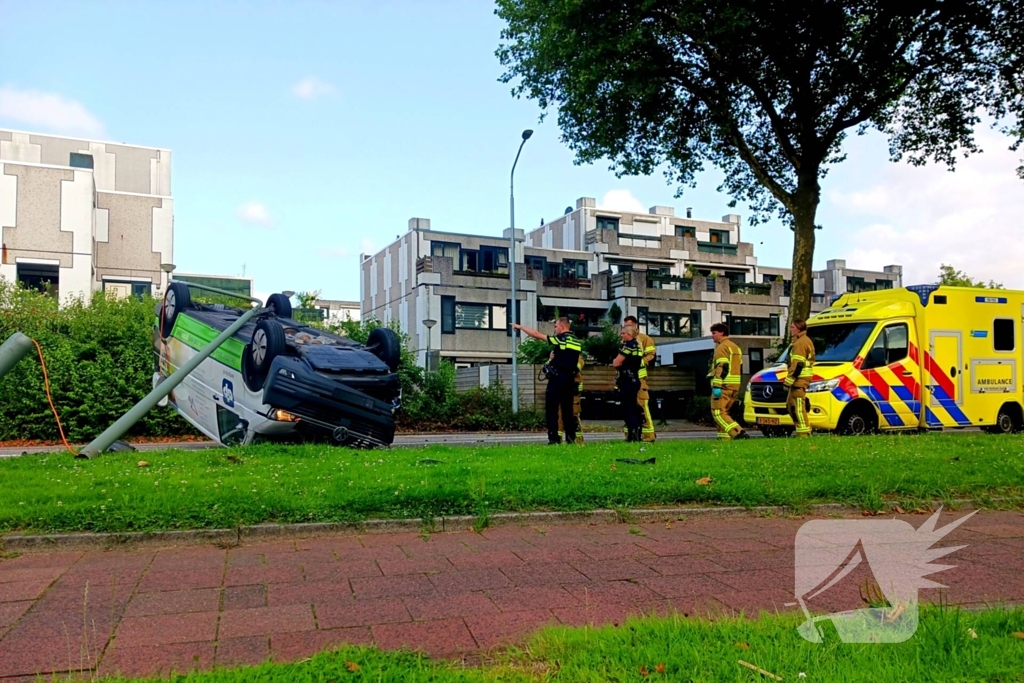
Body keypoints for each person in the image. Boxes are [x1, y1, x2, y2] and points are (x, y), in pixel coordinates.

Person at [512, 317, 582, 445]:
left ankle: (553, 439)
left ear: (562, 327)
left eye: (555, 326)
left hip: (557, 379)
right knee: (567, 410)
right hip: (569, 380)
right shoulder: (576, 341)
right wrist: (552, 359)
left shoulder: (561, 339)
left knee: (552, 409)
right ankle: (571, 439)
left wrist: (521, 327)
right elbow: (569, 359)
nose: (555, 329)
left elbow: (537, 335)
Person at [708, 322, 749, 440]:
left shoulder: (722, 347)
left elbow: (722, 366)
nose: (712, 336)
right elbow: (740, 368)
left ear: (722, 333)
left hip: (723, 386)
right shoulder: (735, 347)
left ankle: (738, 433)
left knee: (718, 413)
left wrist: (716, 385)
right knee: (725, 412)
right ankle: (723, 439)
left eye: (714, 333)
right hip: (734, 386)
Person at [623, 315, 656, 441]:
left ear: (636, 325)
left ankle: (648, 435)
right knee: (629, 408)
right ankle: (630, 435)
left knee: (642, 406)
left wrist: (639, 362)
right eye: (626, 325)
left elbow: (651, 355)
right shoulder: (624, 340)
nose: (627, 327)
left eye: (630, 325)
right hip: (627, 379)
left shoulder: (644, 339)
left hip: (639, 378)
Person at [612, 325, 645, 441]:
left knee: (628, 409)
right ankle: (636, 434)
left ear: (629, 334)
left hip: (627, 381)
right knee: (633, 408)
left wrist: (615, 361)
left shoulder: (628, 347)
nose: (621, 335)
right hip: (635, 380)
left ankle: (633, 436)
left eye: (623, 333)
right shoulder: (637, 347)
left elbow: (616, 363)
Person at [784, 318, 815, 437]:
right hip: (799, 379)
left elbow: (797, 365)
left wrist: (788, 381)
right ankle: (802, 429)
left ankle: (804, 432)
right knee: (791, 406)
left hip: (799, 380)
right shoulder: (800, 341)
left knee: (797, 407)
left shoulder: (800, 343)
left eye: (792, 327)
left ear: (798, 328)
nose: (791, 329)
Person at [556, 352, 586, 444]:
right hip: (561, 388)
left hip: (573, 391)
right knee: (559, 415)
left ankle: (578, 440)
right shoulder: (557, 355)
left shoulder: (578, 358)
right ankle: (558, 439)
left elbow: (575, 369)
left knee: (574, 414)